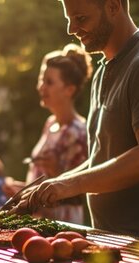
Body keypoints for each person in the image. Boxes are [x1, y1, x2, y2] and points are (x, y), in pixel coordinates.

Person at [12, 0, 139, 244]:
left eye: (81, 19)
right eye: (68, 19)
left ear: (113, 6)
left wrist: (69, 184)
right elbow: (102, 160)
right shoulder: (103, 71)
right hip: (110, 241)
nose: (71, 29)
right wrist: (52, 186)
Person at [7, 44, 92, 223]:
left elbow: (83, 193)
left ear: (69, 89)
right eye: (41, 80)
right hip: (38, 219)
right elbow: (43, 183)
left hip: (62, 223)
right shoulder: (50, 123)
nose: (41, 87)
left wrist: (57, 171)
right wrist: (21, 190)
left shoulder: (78, 131)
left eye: (49, 82)